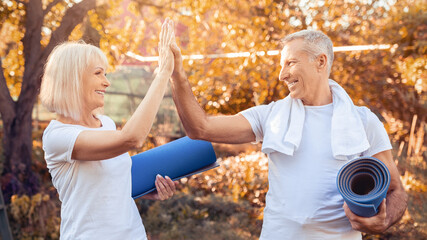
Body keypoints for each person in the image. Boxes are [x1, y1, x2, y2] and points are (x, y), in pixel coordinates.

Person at [169, 30, 408, 239]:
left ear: (321, 62)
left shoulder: (363, 121)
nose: (282, 75)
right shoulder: (270, 116)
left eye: (290, 63)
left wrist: (384, 221)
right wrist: (177, 74)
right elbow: (200, 127)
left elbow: (396, 190)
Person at [40, 19, 177, 240]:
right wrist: (162, 74)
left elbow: (110, 182)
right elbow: (132, 138)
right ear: (73, 79)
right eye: (98, 73)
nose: (107, 82)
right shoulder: (58, 136)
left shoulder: (107, 123)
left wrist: (149, 191)